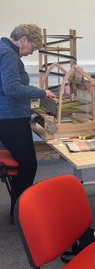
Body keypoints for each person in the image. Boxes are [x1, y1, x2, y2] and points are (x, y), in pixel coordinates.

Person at [0, 24, 55, 204]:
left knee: (23, 162)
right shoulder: (8, 55)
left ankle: (19, 207)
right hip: (10, 118)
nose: (32, 52)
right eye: (33, 47)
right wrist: (41, 93)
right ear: (23, 39)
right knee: (28, 165)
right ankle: (21, 210)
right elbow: (12, 88)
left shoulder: (5, 50)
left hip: (8, 116)